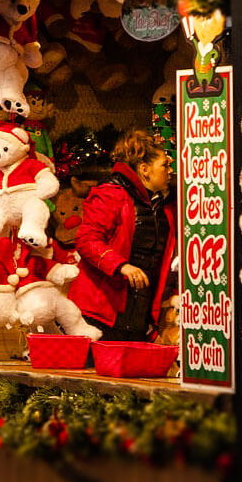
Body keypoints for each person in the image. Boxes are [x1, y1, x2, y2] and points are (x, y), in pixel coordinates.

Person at [67, 129, 177, 342]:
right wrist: (121, 266)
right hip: (102, 310)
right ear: (144, 169)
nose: (169, 171)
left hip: (140, 311)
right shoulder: (111, 194)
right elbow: (87, 239)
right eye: (164, 165)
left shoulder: (164, 205)